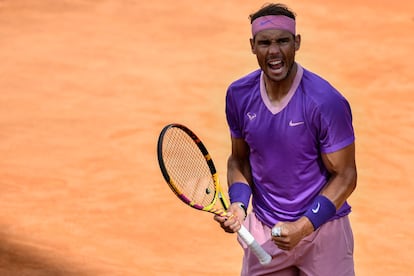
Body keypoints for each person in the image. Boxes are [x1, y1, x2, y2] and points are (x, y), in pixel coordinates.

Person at [213, 3, 357, 276]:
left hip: (323, 233)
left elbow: (346, 175)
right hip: (266, 236)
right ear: (253, 46)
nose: (274, 51)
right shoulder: (239, 95)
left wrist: (303, 226)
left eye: (283, 41)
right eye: (265, 43)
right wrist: (239, 204)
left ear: (297, 43)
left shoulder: (325, 101)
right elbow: (240, 158)